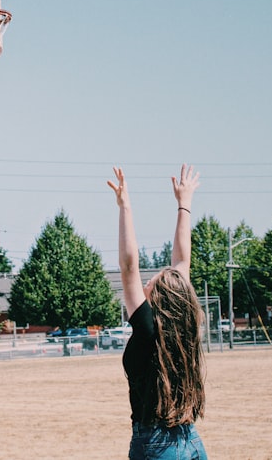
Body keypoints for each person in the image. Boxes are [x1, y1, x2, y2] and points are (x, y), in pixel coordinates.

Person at [107, 164, 207, 460]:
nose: (150, 279)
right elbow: (182, 263)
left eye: (153, 281)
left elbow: (128, 268)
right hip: (192, 442)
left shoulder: (148, 331)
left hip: (157, 446)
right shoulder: (184, 329)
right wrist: (184, 205)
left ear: (160, 298)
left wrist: (125, 207)